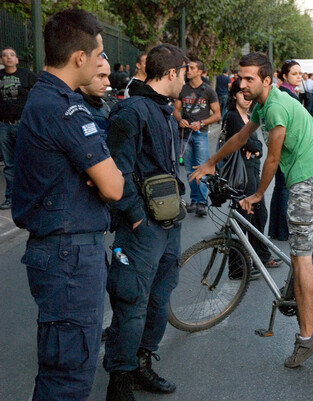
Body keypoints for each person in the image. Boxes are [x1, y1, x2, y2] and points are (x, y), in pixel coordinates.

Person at [191, 52, 313, 369]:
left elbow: (272, 159)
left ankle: (306, 338)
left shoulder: (274, 107)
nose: (242, 83)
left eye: (249, 78)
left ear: (267, 79)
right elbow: (240, 136)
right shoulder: (265, 103)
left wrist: (258, 194)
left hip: (308, 181)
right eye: (240, 77)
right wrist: (210, 162)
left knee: (301, 258)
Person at [13, 9, 124, 400]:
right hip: (69, 255)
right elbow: (113, 186)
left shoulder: (46, 98)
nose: (101, 63)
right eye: (99, 55)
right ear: (80, 57)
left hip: (63, 251)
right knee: (69, 377)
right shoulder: (65, 108)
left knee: (65, 369)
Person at [103, 43, 188, 401]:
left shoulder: (163, 110)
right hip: (143, 228)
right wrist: (137, 218)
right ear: (170, 74)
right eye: (183, 75)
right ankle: (120, 381)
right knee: (132, 301)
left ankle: (141, 365)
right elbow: (117, 173)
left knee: (159, 297)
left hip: (168, 223)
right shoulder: (131, 111)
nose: (185, 82)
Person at [223, 78, 282, 268]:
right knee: (243, 216)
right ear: (234, 95)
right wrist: (254, 147)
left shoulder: (248, 115)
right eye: (241, 93)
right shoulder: (232, 117)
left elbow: (258, 147)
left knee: (258, 215)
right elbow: (249, 143)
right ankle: (237, 266)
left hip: (251, 170)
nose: (246, 98)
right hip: (241, 173)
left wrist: (255, 148)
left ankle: (261, 257)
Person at [173, 59, 220, 216]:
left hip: (201, 134)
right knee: (188, 170)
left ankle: (202, 202)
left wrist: (201, 123)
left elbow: (217, 114)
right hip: (185, 135)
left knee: (201, 167)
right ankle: (194, 200)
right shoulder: (183, 89)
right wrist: (180, 120)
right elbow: (176, 110)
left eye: (192, 68)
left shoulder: (208, 91)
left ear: (200, 72)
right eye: (188, 67)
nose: (188, 70)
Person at [0, 47, 38, 210]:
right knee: (9, 164)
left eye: (12, 55)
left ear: (16, 59)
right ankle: (10, 197)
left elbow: (39, 91)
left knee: (27, 160)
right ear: (1, 60)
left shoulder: (27, 75)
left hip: (23, 124)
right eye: (5, 56)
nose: (8, 58)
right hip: (4, 125)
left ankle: (32, 195)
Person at [268, 60, 301, 241]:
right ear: (285, 76)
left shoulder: (286, 93)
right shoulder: (286, 95)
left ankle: (277, 229)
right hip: (284, 150)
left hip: (282, 148)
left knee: (280, 189)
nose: (299, 76)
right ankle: (281, 230)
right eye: (294, 73)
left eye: (300, 73)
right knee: (283, 189)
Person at [77, 57, 112, 138]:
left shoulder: (104, 106)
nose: (107, 82)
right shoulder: (72, 108)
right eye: (101, 76)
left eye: (107, 76)